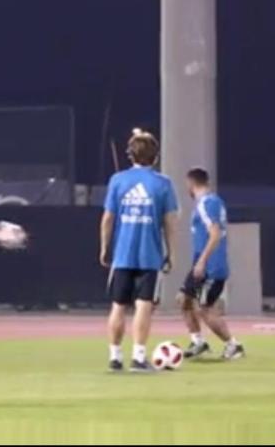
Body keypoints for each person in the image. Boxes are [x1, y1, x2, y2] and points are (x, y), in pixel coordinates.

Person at [100, 130, 178, 373]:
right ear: (155, 157)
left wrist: (104, 247)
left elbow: (107, 218)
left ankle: (115, 357)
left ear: (130, 155)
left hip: (122, 254)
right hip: (150, 255)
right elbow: (170, 222)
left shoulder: (117, 180)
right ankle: (138, 357)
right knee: (144, 305)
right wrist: (171, 252)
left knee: (118, 305)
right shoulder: (163, 183)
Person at [178, 168, 245, 361]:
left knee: (205, 309)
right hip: (201, 265)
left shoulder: (207, 203)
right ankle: (198, 342)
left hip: (211, 267)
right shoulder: (209, 202)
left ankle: (234, 345)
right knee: (184, 299)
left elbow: (215, 233)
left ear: (191, 184)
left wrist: (202, 261)